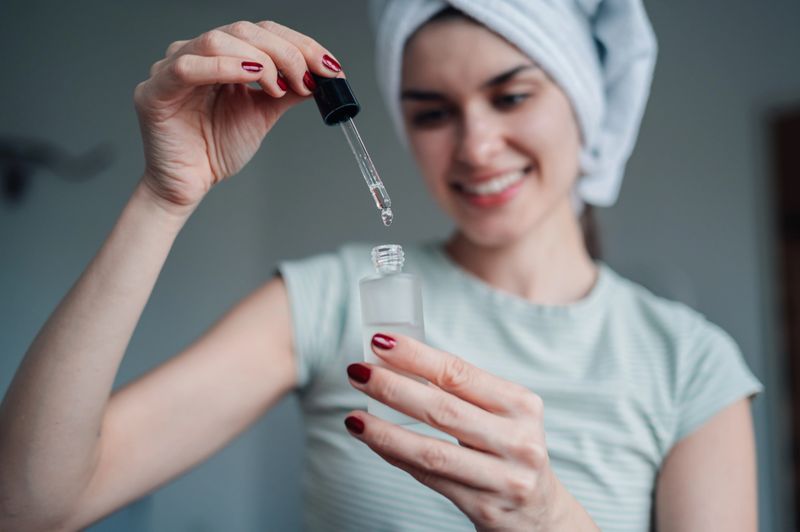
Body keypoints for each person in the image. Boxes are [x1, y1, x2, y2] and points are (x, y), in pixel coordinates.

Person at [0, 1, 762, 531]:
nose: (474, 146)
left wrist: (547, 519)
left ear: (588, 101)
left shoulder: (691, 364)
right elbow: (30, 507)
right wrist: (163, 198)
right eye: (432, 111)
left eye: (512, 95)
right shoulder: (333, 300)